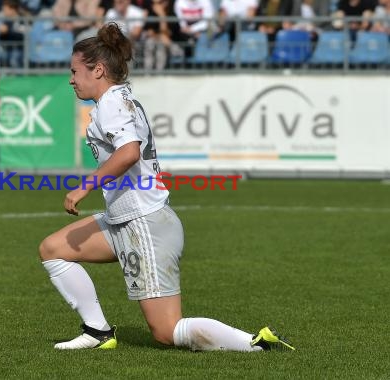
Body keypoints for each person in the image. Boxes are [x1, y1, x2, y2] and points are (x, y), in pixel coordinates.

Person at [39, 22, 295, 352]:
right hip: (126, 219)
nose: (71, 79)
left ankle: (254, 342)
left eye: (75, 71)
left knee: (166, 331)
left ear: (98, 70)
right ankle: (97, 331)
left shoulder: (111, 104)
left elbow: (129, 152)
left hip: (143, 223)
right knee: (53, 249)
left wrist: (84, 187)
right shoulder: (121, 98)